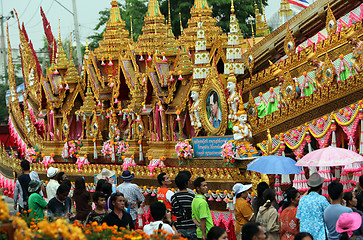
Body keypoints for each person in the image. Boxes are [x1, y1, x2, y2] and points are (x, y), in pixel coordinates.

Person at [296, 172, 330, 240]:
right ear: (321, 186)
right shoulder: (322, 199)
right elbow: (329, 215)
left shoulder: (302, 200)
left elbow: (298, 217)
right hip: (319, 235)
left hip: (304, 236)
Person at [171, 173, 197, 239]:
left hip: (180, 227)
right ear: (186, 183)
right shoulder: (192, 196)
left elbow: (174, 212)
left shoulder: (174, 198)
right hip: (192, 226)